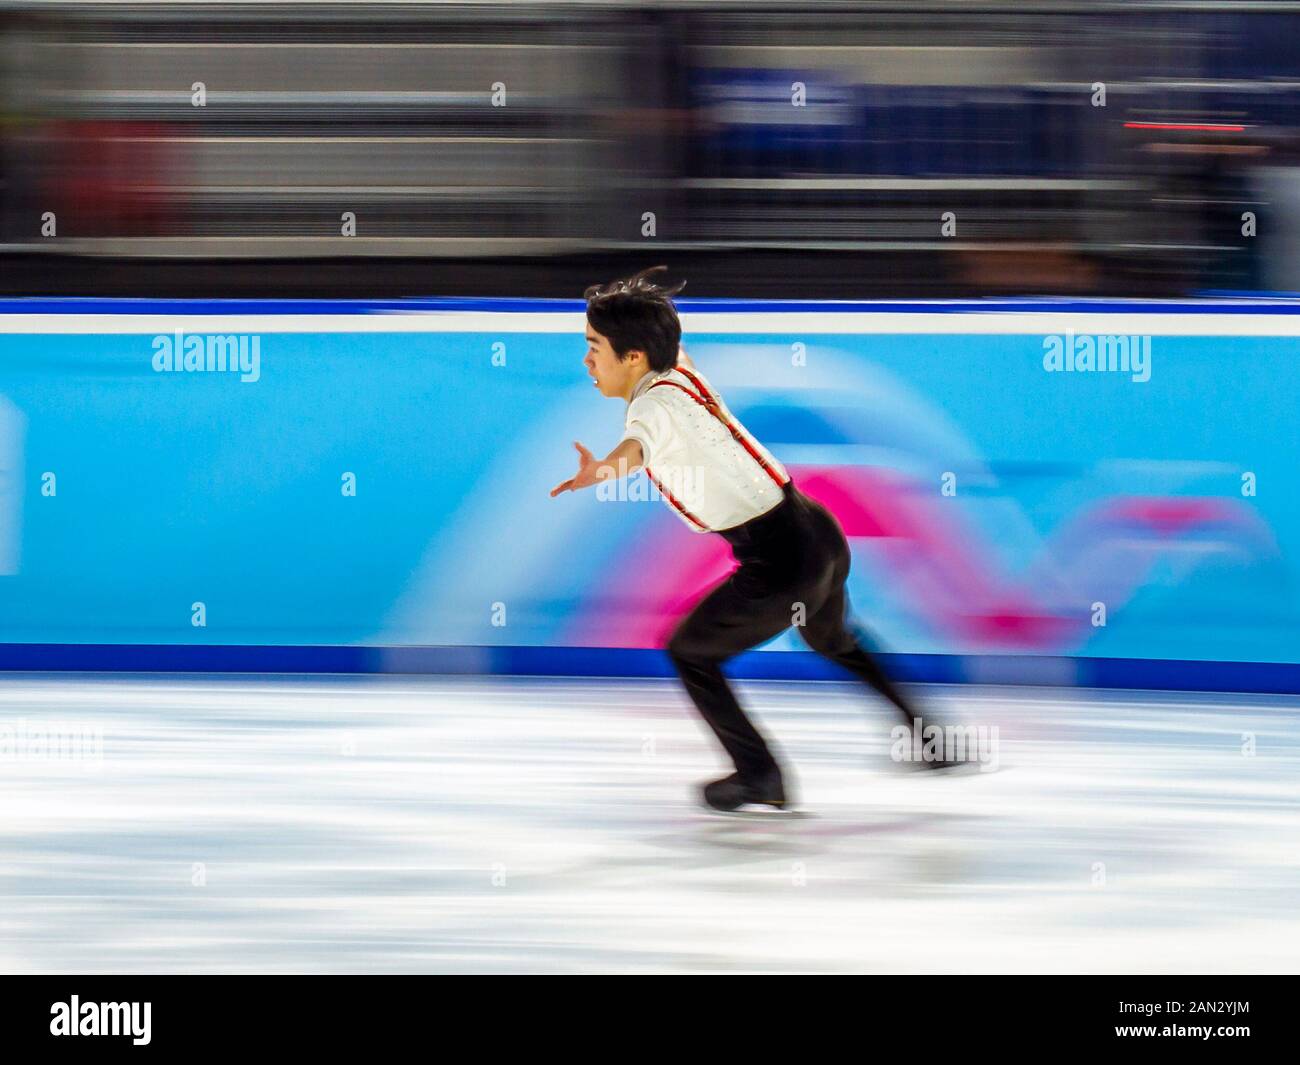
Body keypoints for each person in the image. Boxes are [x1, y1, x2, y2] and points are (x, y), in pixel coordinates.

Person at [551, 267, 934, 812]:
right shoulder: (679, 375)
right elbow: (667, 350)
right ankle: (929, 736)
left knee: (690, 652)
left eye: (594, 347)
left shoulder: (653, 406)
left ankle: (759, 775)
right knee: (833, 640)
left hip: (781, 561)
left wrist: (602, 472)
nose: (587, 361)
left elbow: (638, 445)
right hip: (816, 532)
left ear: (633, 357)